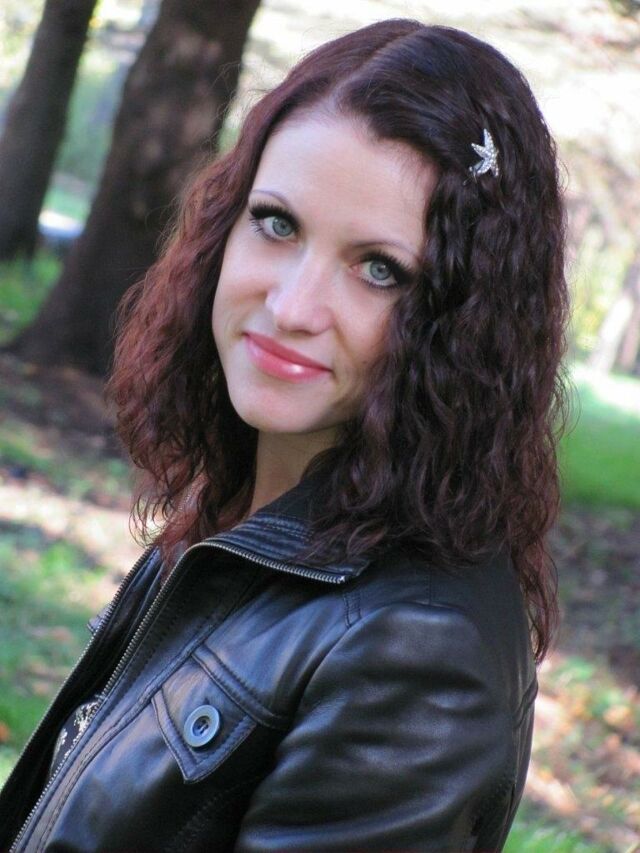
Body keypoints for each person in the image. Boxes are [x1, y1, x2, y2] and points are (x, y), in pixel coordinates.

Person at [0, 17, 571, 852]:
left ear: (465, 325)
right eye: (276, 223)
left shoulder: (417, 650)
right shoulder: (246, 507)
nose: (293, 307)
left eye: (379, 269)